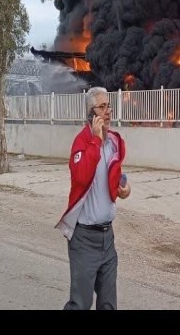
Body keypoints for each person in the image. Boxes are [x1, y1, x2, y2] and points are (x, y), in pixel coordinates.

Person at [56, 86, 130, 310]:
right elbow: (81, 177)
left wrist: (124, 190)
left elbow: (113, 179)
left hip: (108, 238)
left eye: (109, 106)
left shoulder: (113, 142)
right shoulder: (81, 143)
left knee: (108, 305)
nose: (108, 111)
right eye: (102, 107)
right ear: (91, 113)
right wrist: (95, 141)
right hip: (84, 240)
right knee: (80, 304)